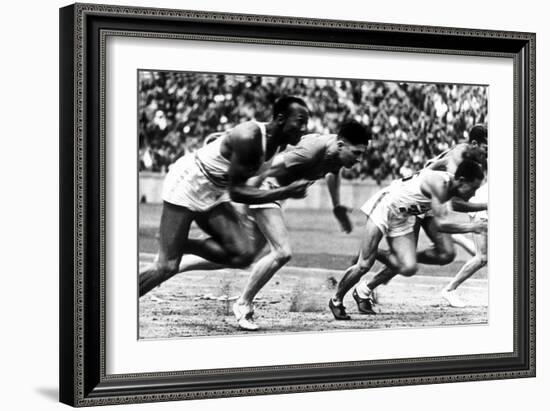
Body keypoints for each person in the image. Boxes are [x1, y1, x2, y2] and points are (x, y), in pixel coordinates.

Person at [154, 120, 371, 330]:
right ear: (341, 145)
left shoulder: (336, 151)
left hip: (276, 195)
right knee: (282, 252)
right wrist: (243, 203)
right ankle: (243, 304)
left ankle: (180, 256)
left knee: (241, 256)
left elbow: (333, 172)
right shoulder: (309, 151)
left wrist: (336, 206)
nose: (360, 160)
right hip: (265, 189)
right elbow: (264, 169)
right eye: (357, 153)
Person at [139, 96, 311, 297]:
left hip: (213, 190)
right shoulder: (251, 136)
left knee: (243, 254)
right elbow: (237, 193)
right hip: (189, 182)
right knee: (167, 266)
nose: (305, 128)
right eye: (300, 122)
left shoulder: (278, 145)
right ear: (281, 119)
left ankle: (178, 243)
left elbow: (241, 179)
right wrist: (286, 192)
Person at [329, 160, 487, 320]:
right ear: (461, 181)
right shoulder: (439, 184)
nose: (473, 194)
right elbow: (440, 224)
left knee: (408, 268)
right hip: (386, 206)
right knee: (364, 265)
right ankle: (336, 300)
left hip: (403, 217)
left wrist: (486, 205)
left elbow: (455, 204)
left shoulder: (451, 184)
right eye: (473, 188)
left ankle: (372, 252)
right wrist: (473, 227)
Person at [357, 125, 488, 310]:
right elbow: (454, 203)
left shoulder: (470, 157)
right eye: (486, 149)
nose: (488, 154)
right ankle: (366, 283)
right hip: (418, 201)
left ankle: (374, 271)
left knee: (446, 254)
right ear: (474, 143)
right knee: (415, 258)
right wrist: (487, 206)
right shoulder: (458, 160)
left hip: (429, 203)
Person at [441, 182, 488, 307]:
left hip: (483, 205)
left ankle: (456, 238)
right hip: (484, 209)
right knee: (483, 257)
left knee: (485, 256)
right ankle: (449, 290)